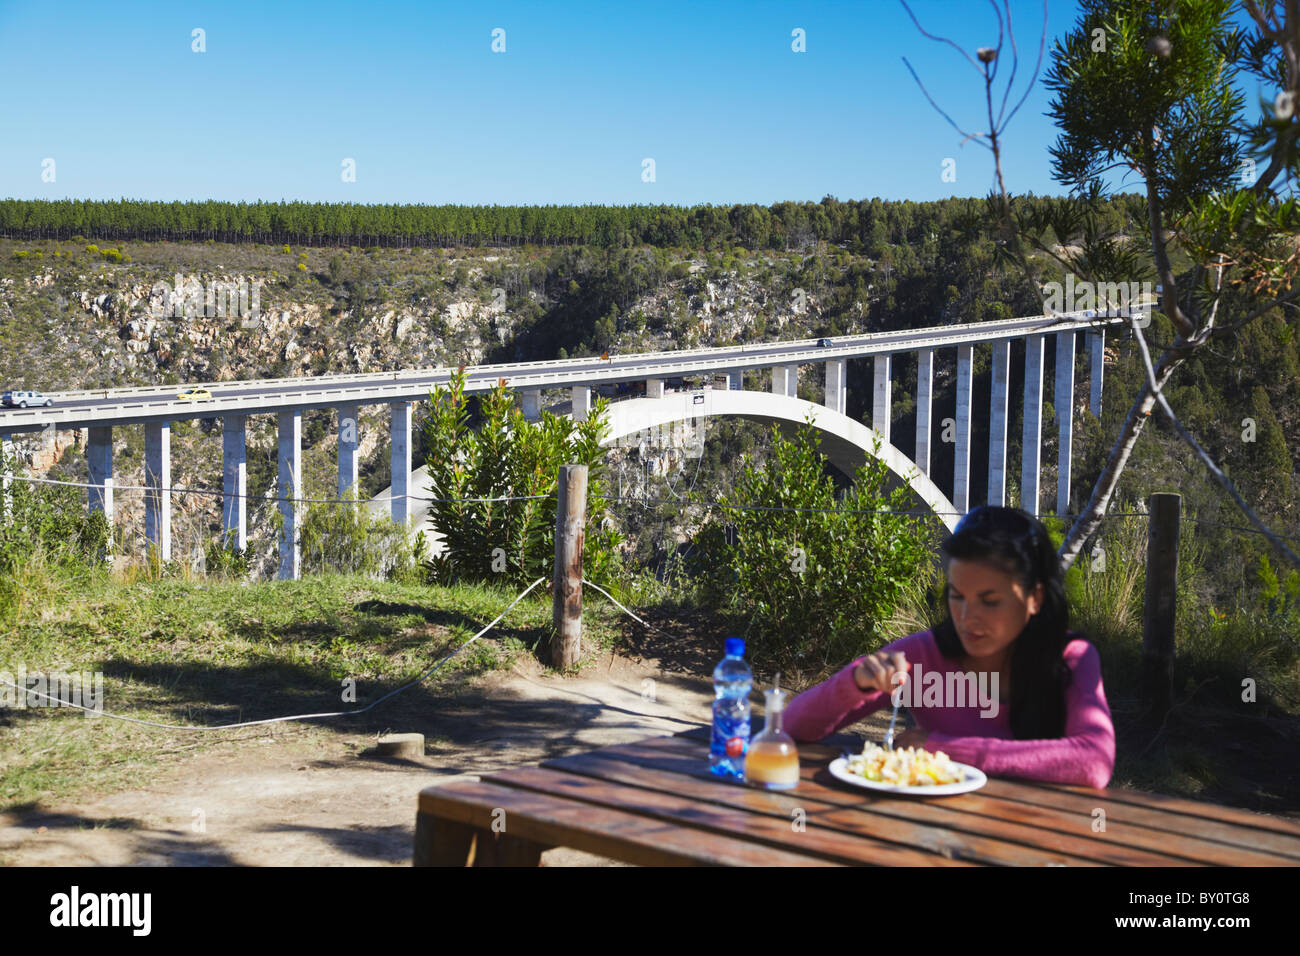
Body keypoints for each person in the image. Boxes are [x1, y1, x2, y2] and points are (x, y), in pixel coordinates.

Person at [783, 505, 1115, 788]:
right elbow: (791, 725)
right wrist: (856, 683)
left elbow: (1094, 762)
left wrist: (943, 748)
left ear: (1035, 598)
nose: (968, 618)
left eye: (990, 601)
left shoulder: (1071, 658)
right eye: (957, 596)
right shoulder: (921, 658)